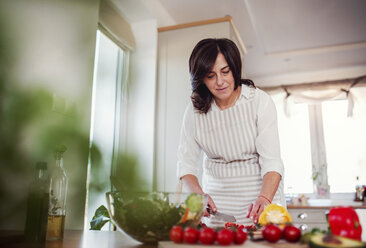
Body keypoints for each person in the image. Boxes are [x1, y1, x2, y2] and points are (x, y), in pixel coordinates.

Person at [176, 38, 285, 228]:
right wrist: (198, 196)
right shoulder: (194, 112)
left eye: (225, 72)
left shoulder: (259, 101)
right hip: (219, 211)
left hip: (261, 204)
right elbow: (186, 165)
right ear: (201, 79)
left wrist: (265, 198)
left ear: (234, 68)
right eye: (210, 76)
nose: (220, 81)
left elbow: (272, 160)